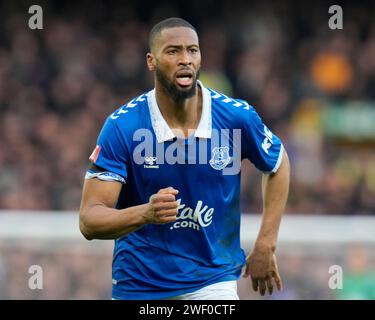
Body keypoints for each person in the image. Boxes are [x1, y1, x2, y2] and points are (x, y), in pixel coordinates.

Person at [79, 17, 290, 300]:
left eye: (192, 50)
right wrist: (146, 213)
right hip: (139, 284)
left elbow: (277, 163)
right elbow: (89, 220)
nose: (185, 59)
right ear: (151, 62)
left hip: (212, 279)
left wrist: (266, 242)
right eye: (173, 51)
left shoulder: (235, 117)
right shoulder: (123, 126)